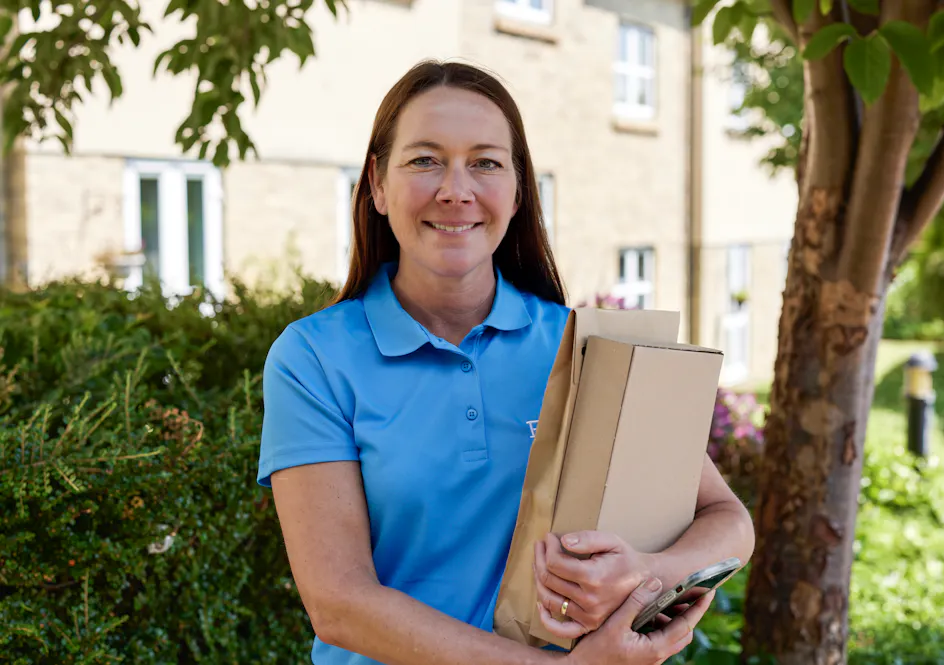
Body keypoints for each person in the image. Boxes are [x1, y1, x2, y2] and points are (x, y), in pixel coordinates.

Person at [257, 59, 755, 665]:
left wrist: (647, 572)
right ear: (378, 184)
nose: (456, 188)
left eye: (486, 162)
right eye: (425, 160)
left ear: (518, 191)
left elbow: (727, 520)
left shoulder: (577, 346)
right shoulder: (313, 359)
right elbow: (339, 602)